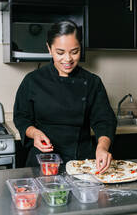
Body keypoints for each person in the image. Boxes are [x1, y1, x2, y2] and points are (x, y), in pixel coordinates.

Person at [13, 20, 117, 173]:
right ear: (49, 48)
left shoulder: (92, 82)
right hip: (44, 161)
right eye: (60, 53)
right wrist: (34, 133)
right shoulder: (33, 80)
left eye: (74, 52)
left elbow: (105, 121)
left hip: (82, 161)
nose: (68, 59)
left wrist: (102, 147)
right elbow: (22, 117)